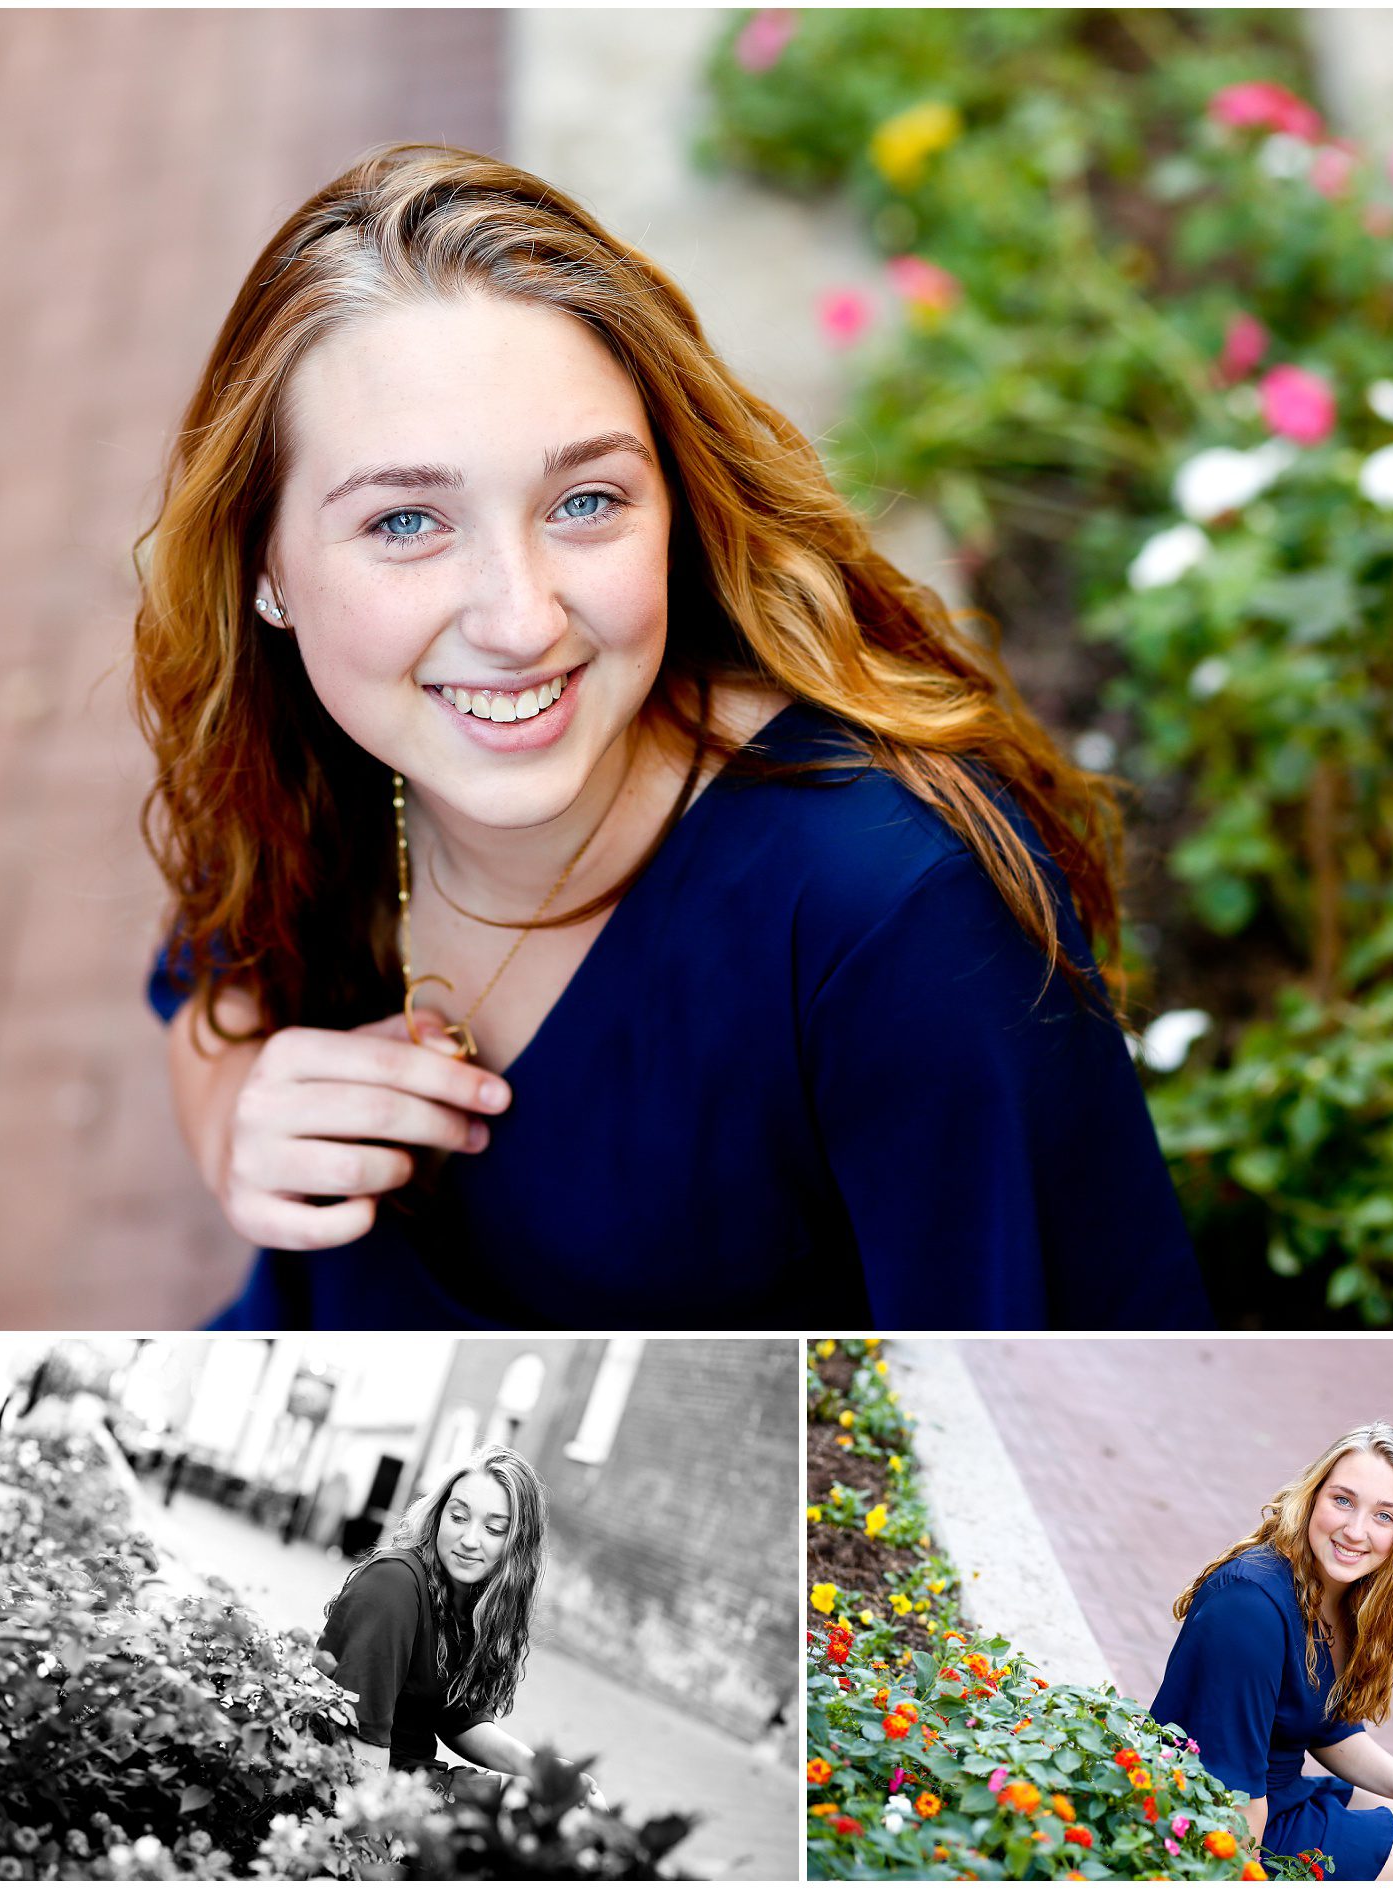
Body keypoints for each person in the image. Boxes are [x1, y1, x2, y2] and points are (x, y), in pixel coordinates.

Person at [134, 141, 1209, 1329]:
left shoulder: (891, 912)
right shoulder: (317, 737)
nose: (518, 618)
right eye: (404, 521)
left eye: (583, 501)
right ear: (264, 570)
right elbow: (206, 1000)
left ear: (673, 506)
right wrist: (237, 1114)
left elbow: (1053, 1376)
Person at [1151, 1422, 1393, 1881]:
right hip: (1218, 1823)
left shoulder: (1340, 1593)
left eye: (1384, 1516)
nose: (1355, 1531)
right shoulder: (1250, 1606)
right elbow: (1233, 1799)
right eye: (1343, 1501)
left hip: (1279, 1795)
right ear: (1313, 1495)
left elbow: (1329, 1729)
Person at [315, 1445, 602, 1805]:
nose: (469, 1540)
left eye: (494, 1529)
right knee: (559, 1813)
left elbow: (460, 1718)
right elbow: (360, 1742)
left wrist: (540, 1770)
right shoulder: (394, 1585)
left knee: (577, 1800)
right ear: (438, 1515)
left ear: (517, 1546)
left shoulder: (468, 1602)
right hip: (375, 1789)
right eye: (459, 1517)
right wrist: (375, 1844)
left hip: (412, 1784)